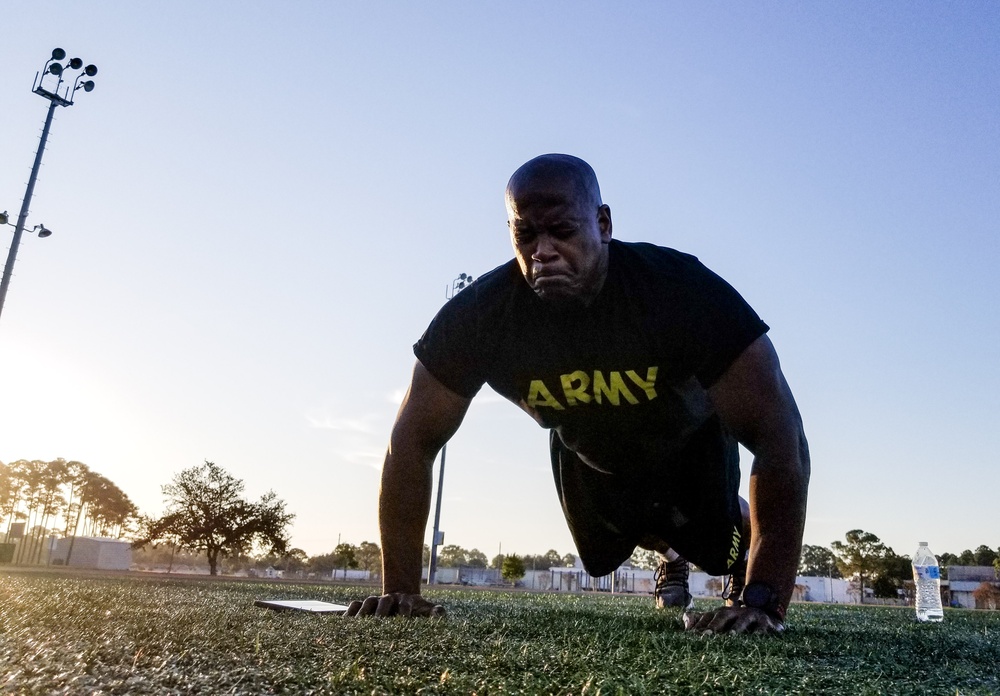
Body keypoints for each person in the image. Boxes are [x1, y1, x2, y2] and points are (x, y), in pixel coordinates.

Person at [346, 154, 810, 634]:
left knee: (713, 547)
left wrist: (764, 600)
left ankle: (730, 537)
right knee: (603, 554)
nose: (542, 251)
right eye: (525, 235)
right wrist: (399, 590)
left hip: (692, 449)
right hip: (589, 456)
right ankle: (670, 556)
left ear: (603, 223)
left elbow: (781, 435)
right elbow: (412, 440)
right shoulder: (483, 316)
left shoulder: (680, 291)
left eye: (561, 230)